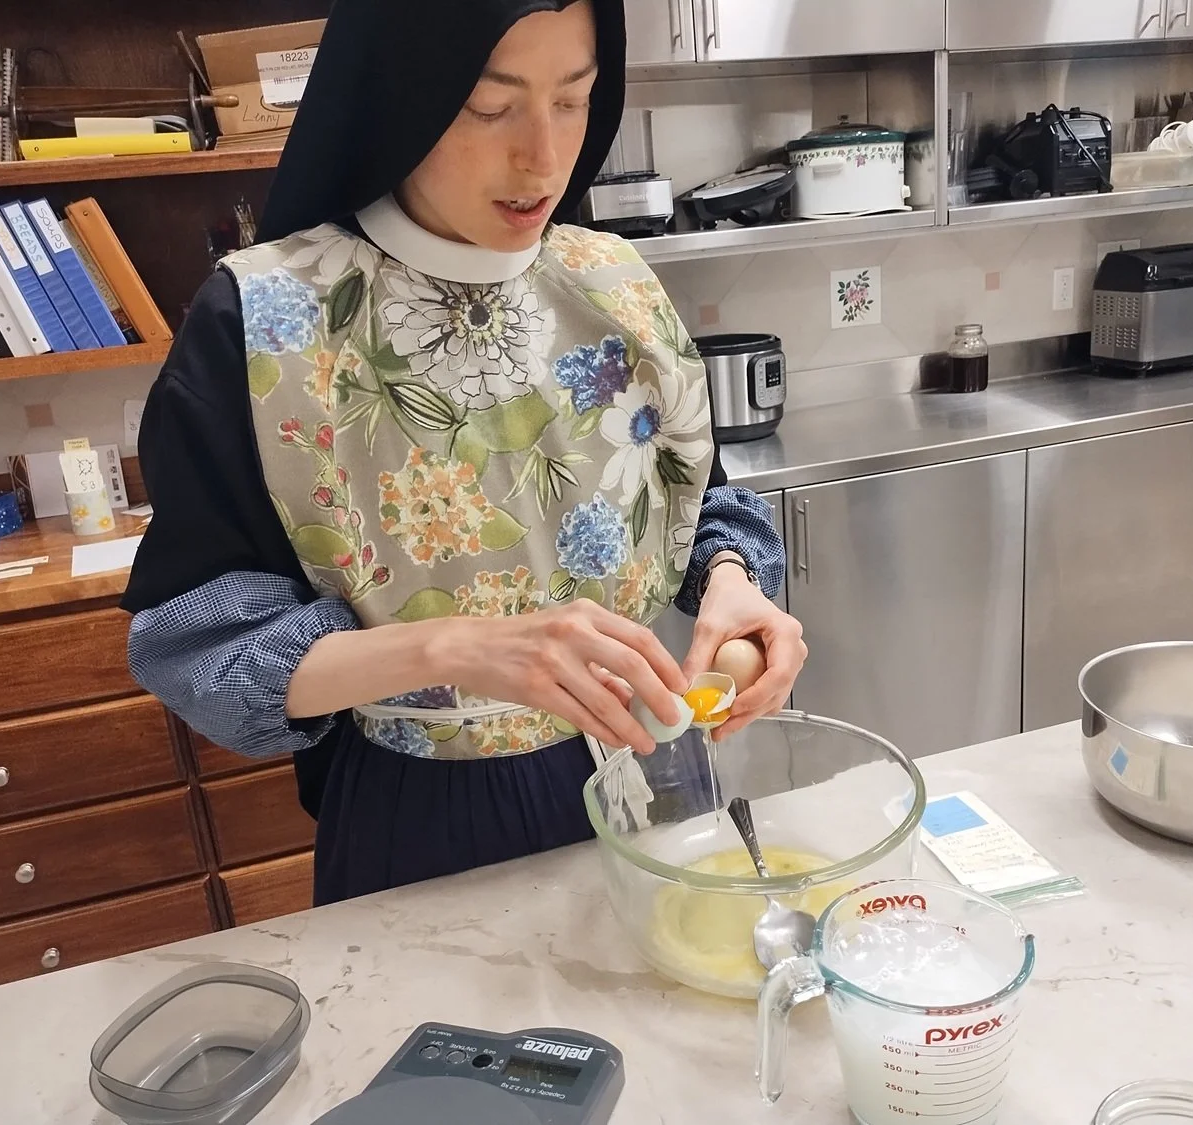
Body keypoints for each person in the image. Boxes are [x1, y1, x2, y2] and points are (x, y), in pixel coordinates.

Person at [122, 0, 807, 906]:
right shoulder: (266, 326)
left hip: (652, 768)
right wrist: (453, 645)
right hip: (428, 812)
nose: (543, 157)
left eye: (574, 99)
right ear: (399, 94)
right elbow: (197, 645)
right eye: (490, 107)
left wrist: (732, 582)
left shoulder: (615, 285)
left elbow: (698, 498)